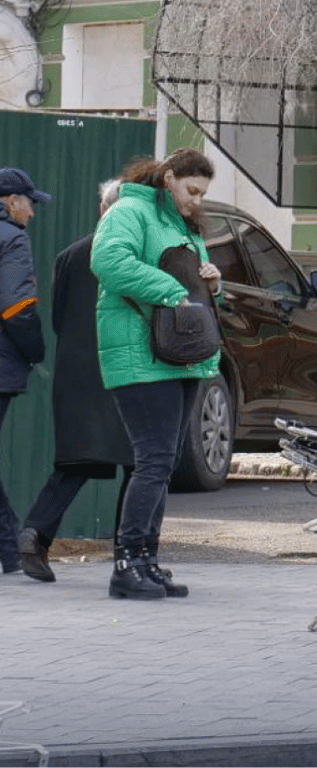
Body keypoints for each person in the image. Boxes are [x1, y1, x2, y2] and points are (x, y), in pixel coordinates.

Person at [90, 149, 221, 600]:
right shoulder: (130, 210)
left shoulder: (180, 223)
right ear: (168, 178)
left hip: (176, 353)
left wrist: (210, 280)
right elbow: (108, 262)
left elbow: (190, 283)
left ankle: (146, 560)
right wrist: (172, 290)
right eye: (192, 190)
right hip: (139, 354)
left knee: (163, 464)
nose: (198, 200)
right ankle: (126, 564)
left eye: (203, 193)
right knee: (153, 462)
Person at [17, 179, 135, 583]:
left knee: (76, 462)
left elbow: (57, 318)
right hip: (127, 371)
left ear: (102, 209)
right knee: (141, 464)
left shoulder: (70, 255)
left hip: (78, 373)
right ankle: (130, 551)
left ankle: (34, 535)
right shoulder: (140, 254)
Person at [0, 167, 50, 573]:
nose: (31, 213)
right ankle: (11, 551)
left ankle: (9, 550)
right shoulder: (13, 240)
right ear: (10, 202)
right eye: (29, 203)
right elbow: (17, 309)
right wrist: (36, 352)